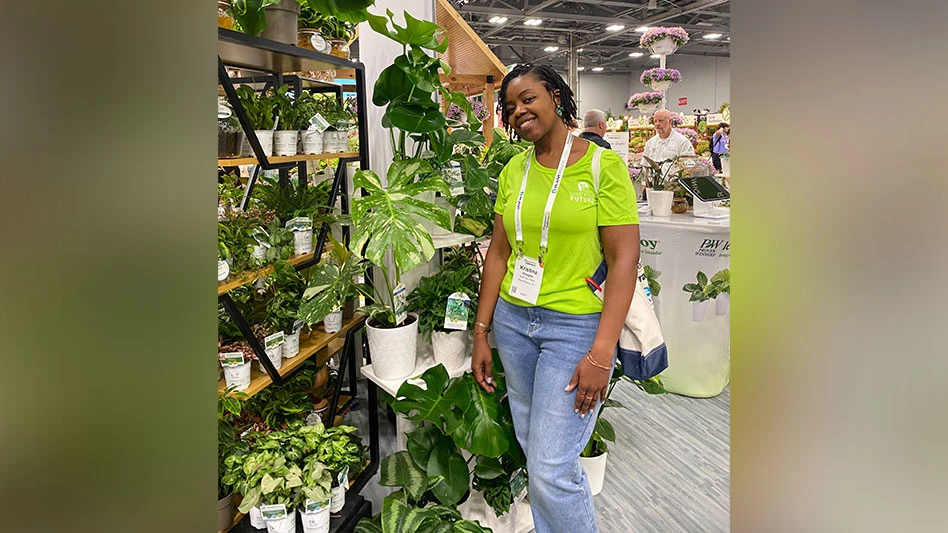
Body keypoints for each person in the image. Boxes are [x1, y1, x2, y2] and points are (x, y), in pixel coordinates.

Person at [470, 64, 640, 533]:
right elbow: (499, 254)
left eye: (528, 98)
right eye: (509, 106)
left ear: (556, 96)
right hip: (514, 322)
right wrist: (481, 332)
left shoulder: (603, 166)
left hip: (575, 328)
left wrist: (602, 353)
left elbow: (624, 262)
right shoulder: (513, 170)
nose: (518, 111)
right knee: (536, 451)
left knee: (550, 466)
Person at [641, 108, 696, 198]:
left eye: (661, 121)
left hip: (674, 191)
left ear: (670, 121)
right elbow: (646, 167)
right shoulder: (650, 143)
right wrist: (646, 187)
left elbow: (688, 169)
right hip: (653, 189)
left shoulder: (682, 142)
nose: (657, 124)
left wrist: (680, 191)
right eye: (655, 121)